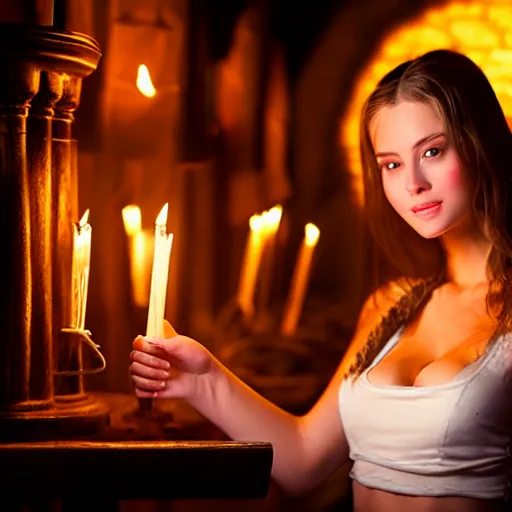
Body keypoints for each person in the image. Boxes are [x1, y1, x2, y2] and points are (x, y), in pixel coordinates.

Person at [130, 49, 512, 512]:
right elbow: (302, 461)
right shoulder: (392, 305)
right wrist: (202, 379)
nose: (412, 182)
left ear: (478, 142)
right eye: (390, 163)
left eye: (431, 151)